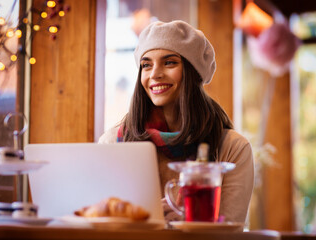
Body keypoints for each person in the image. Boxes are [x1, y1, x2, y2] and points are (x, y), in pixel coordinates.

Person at [99, 20, 254, 224]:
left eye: (169, 62)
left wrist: (189, 223)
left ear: (193, 72)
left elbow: (230, 233)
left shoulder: (233, 148)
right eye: (146, 65)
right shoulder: (112, 142)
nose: (154, 73)